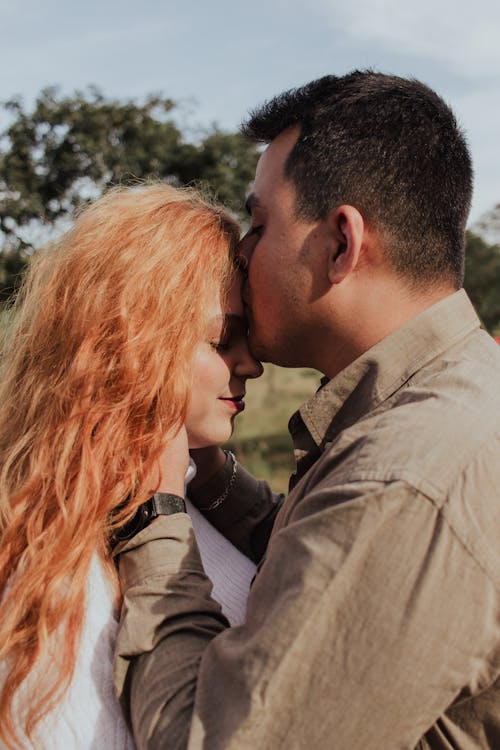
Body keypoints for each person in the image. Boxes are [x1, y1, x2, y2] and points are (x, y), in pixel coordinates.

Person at [112, 71, 500, 749]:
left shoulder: (403, 481)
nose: (243, 252)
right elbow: (326, 576)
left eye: (260, 225)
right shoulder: (453, 402)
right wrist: (210, 478)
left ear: (341, 243)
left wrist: (155, 517)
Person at [0, 183, 262, 749]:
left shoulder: (197, 489)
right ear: (133, 342)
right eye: (224, 338)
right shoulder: (53, 571)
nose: (253, 365)